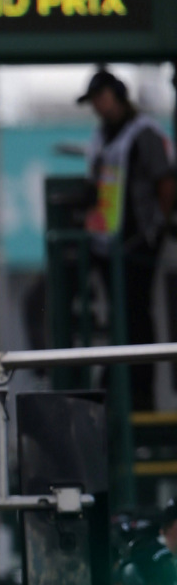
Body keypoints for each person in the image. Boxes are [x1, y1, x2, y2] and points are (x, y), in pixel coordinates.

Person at [79, 66, 175, 412]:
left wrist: (155, 229)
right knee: (120, 314)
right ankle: (118, 382)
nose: (97, 107)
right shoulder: (101, 136)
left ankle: (139, 392)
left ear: (115, 96)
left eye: (100, 99)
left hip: (136, 243)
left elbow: (165, 182)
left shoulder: (143, 133)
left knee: (136, 314)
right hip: (108, 244)